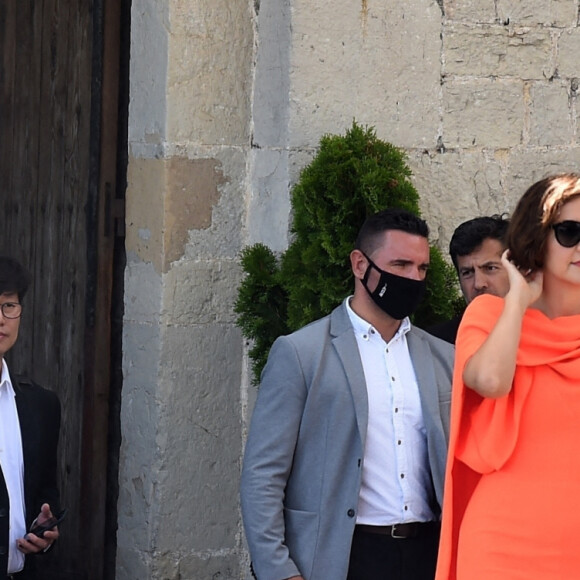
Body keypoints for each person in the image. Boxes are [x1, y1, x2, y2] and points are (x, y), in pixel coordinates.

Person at [241, 209, 454, 580]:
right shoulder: (301, 352)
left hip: (427, 555)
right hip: (343, 556)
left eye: (421, 269)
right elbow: (263, 473)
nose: (412, 278)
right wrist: (278, 570)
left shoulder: (443, 357)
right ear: (360, 264)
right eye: (400, 264)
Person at [435, 173, 580, 580]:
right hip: (504, 546)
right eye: (569, 232)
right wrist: (517, 298)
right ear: (535, 239)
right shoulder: (490, 314)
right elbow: (491, 381)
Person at [0, 256, 62, 578]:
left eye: (9, 306)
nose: (1, 319)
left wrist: (44, 533)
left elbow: (45, 495)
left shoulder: (42, 406)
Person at [427, 215, 510, 344]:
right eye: (467, 273)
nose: (479, 284)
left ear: (516, 270)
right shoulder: (436, 344)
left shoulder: (545, 334)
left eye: (490, 268)